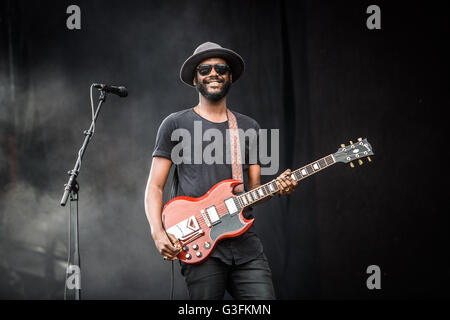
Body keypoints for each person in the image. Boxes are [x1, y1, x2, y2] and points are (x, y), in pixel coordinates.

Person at [144, 42, 297, 300]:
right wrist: (157, 232)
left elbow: (256, 190)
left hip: (246, 246)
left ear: (230, 77)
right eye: (205, 69)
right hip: (200, 244)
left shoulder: (249, 127)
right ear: (195, 78)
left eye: (220, 68)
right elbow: (154, 187)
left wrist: (279, 187)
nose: (213, 73)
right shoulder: (175, 124)